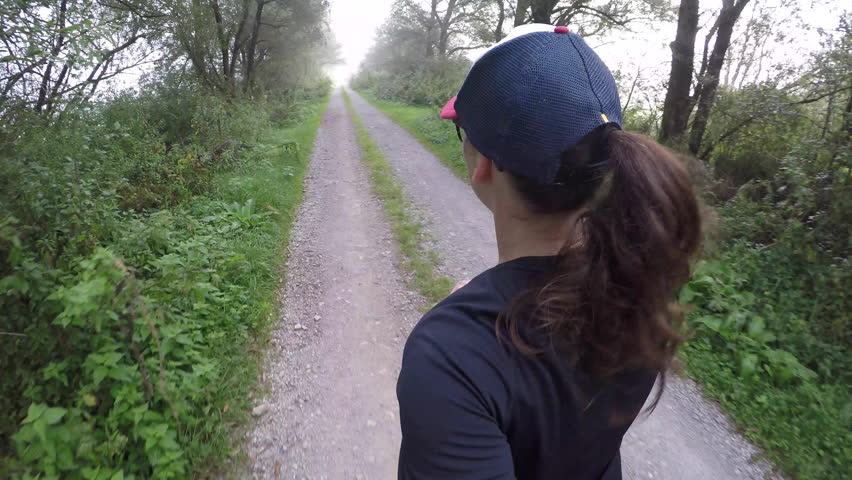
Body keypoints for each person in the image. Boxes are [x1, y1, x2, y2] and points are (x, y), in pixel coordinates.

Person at [396, 24, 702, 480]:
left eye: (462, 129)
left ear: (482, 165)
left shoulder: (449, 356)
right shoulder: (639, 284)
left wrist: (464, 333)